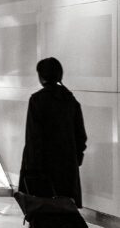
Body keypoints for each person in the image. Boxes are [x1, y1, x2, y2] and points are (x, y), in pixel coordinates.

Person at [19, 58, 87, 207]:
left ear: (41, 77)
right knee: (65, 211)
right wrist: (76, 159)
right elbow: (80, 135)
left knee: (43, 212)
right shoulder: (70, 100)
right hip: (67, 167)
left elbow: (33, 137)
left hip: (42, 168)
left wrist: (31, 169)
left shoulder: (37, 100)